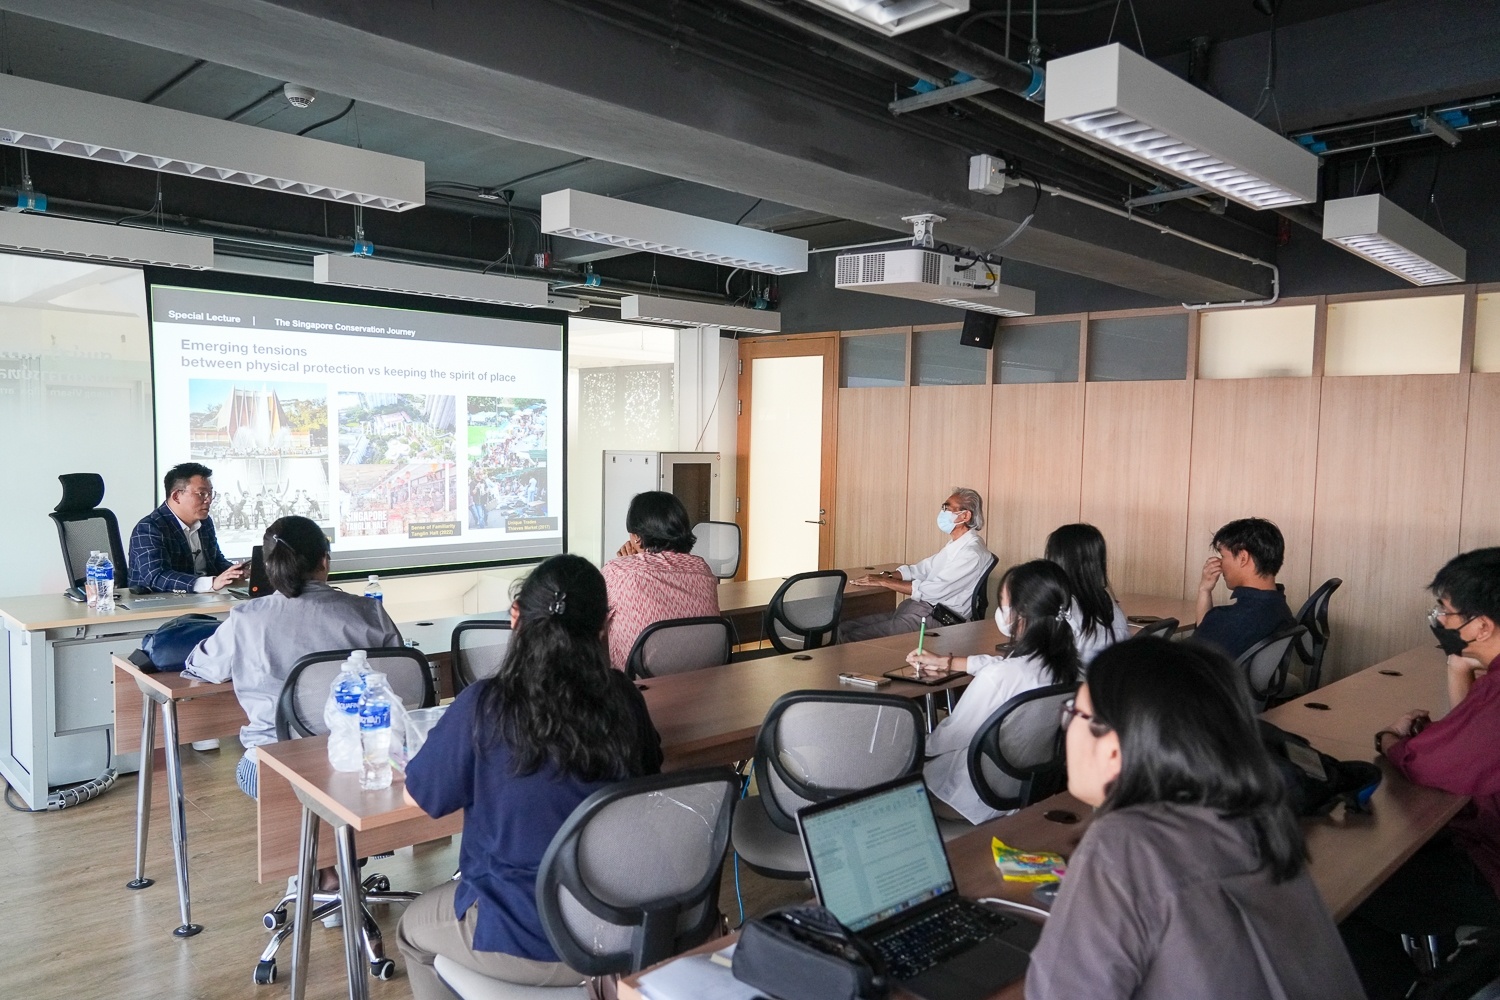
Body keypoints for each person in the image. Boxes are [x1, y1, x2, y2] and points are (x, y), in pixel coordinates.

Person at [1027, 637, 1364, 999]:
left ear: (1113, 748)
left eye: (1072, 712)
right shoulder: (1262, 815)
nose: (1067, 725)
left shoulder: (1124, 844)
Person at [396, 554, 664, 999]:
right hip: (618, 929)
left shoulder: (485, 705)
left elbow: (419, 797)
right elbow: (648, 779)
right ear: (606, 624)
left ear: (515, 616)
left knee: (410, 932)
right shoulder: (625, 698)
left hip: (519, 933)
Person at [1341, 548, 1500, 999]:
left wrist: (1389, 740)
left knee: (1342, 893)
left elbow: (1428, 764)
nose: (1439, 622)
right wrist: (1458, 667)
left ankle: (1410, 988)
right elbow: (1471, 738)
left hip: (1490, 872)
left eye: (1445, 612)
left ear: (1482, 626)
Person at [182, 515, 402, 799]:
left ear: (268, 566)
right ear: (324, 561)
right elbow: (401, 679)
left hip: (274, 762)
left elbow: (204, 668)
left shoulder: (246, 619)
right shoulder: (370, 612)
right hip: (358, 758)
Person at [906, 560, 1081, 825]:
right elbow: (1004, 668)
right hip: (1024, 792)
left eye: (1004, 603)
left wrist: (910, 748)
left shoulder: (999, 677)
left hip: (967, 801)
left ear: (1020, 614)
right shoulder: (1068, 669)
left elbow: (950, 737)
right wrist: (949, 663)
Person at [841, 487, 993, 642]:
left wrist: (884, 582)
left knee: (851, 638)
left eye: (947, 508)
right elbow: (924, 568)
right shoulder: (958, 544)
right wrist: (888, 575)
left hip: (935, 619)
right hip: (918, 610)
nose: (942, 512)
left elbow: (931, 591)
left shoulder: (971, 554)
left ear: (965, 515)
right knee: (842, 628)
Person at [601, 491, 720, 671]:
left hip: (640, 686)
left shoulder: (618, 571)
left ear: (636, 537)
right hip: (702, 677)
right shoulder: (701, 567)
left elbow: (592, 622)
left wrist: (629, 562)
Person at [128, 462, 244, 594]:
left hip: (203, 599)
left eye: (211, 493)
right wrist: (211, 583)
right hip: (158, 605)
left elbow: (215, 561)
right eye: (201, 494)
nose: (209, 500)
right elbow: (157, 577)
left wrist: (235, 571)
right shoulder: (149, 528)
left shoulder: (205, 523)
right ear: (176, 496)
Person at [1193, 517, 1295, 660]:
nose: (1220, 564)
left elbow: (1192, 661)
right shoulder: (1279, 607)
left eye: (1223, 556)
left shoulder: (1229, 620)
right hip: (1245, 682)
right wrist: (1205, 590)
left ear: (1243, 558)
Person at [1044, 523, 1130, 666]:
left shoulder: (1065, 607)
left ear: (1058, 561)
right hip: (1104, 683)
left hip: (1077, 685)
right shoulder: (1107, 601)